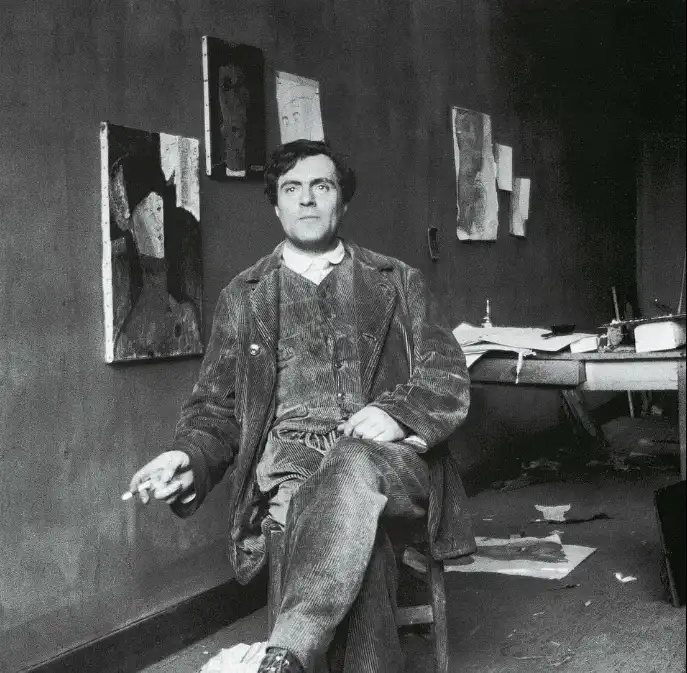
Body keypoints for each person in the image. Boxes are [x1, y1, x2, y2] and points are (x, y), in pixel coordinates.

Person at [127, 139, 475, 672]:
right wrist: (187, 456)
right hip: (291, 468)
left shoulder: (398, 281)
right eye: (292, 189)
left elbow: (447, 375)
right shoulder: (244, 296)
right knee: (354, 534)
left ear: (342, 200)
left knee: (350, 466)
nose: (307, 199)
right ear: (277, 206)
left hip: (391, 461)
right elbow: (216, 409)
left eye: (321, 186)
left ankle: (287, 652)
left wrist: (397, 413)